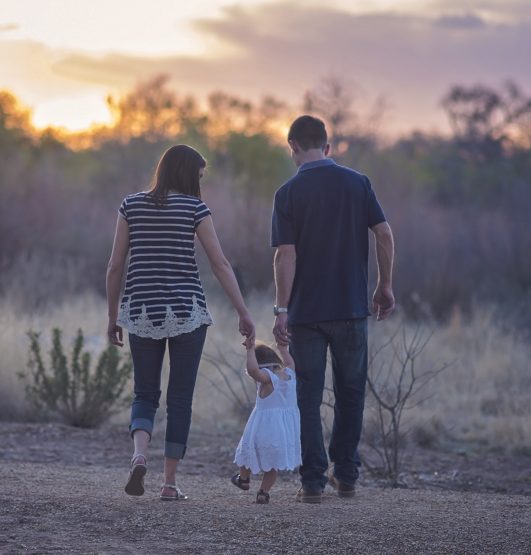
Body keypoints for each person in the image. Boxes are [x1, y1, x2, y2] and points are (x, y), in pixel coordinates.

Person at [105, 144, 255, 501]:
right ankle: (169, 484)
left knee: (145, 393)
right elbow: (220, 264)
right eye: (200, 176)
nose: (201, 183)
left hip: (141, 312)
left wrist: (113, 316)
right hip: (187, 312)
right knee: (180, 399)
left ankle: (140, 454)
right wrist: (243, 311)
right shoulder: (195, 209)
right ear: (188, 174)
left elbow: (114, 266)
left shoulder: (131, 206)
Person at [271, 116, 396, 504]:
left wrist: (281, 309)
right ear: (327, 146)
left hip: (307, 314)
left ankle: (311, 483)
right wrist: (384, 285)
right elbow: (385, 233)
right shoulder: (358, 183)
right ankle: (346, 476)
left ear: (292, 146)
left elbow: (284, 256)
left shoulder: (287, 193)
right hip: (352, 309)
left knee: (307, 397)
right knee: (351, 393)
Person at [230, 340, 300, 504]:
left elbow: (253, 370)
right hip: (283, 431)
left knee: (247, 454)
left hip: (263, 428)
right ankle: (263, 492)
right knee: (272, 465)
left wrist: (249, 351)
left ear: (263, 367)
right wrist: (283, 349)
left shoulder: (267, 378)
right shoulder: (290, 374)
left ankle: (244, 479)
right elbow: (289, 361)